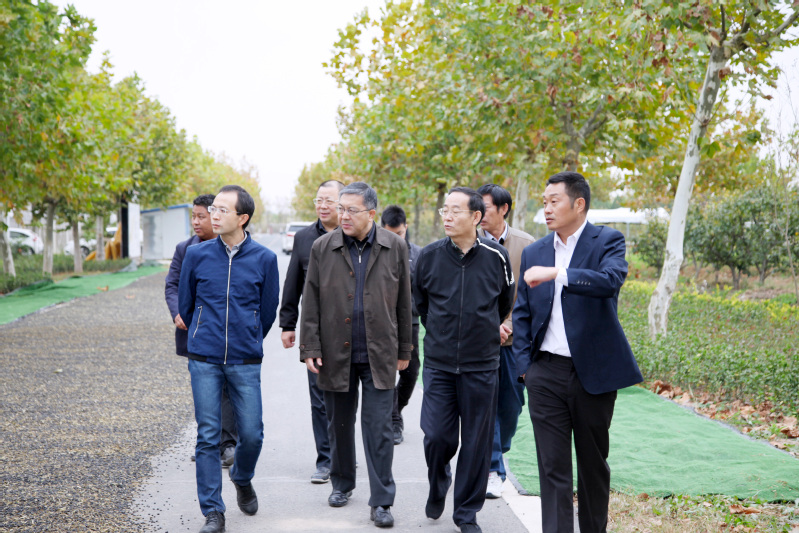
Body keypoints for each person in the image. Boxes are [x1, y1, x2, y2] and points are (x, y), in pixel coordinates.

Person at [512, 172, 643, 533]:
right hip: (545, 373)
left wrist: (559, 273)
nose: (547, 208)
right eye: (544, 202)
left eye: (554, 201)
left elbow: (610, 281)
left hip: (593, 375)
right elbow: (522, 312)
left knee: (592, 465)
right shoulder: (535, 251)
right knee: (552, 468)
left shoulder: (607, 241)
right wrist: (526, 367)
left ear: (579, 204)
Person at [299, 182, 412, 529]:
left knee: (379, 429)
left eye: (351, 210)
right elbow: (311, 300)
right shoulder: (323, 247)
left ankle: (382, 501)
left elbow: (404, 302)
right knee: (339, 424)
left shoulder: (394, 246)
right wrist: (310, 347)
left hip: (380, 352)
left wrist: (405, 348)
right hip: (336, 352)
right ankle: (342, 483)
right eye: (341, 209)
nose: (343, 215)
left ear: (371, 213)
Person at [178, 185, 280, 533]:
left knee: (252, 434)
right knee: (208, 435)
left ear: (243, 217)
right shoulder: (197, 255)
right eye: (213, 209)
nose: (214, 215)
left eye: (222, 210)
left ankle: (242, 476)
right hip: (203, 358)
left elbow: (267, 311)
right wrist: (202, 332)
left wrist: (247, 336)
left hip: (244, 360)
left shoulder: (265, 259)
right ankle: (213, 512)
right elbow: (186, 305)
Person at [414, 187, 515, 533]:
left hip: (482, 365)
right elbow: (422, 304)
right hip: (440, 363)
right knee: (437, 436)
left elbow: (504, 302)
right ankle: (439, 479)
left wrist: (482, 330)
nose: (447, 216)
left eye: (455, 210)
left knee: (476, 442)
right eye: (445, 210)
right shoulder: (429, 256)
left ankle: (466, 513)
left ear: (476, 217)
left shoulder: (497, 257)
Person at [165, 194, 238, 468]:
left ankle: (228, 444)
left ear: (216, 216)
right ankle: (208, 442)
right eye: (193, 217)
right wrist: (178, 312)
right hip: (194, 333)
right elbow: (172, 285)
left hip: (227, 333)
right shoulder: (185, 249)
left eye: (201, 217)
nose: (196, 222)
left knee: (227, 389)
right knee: (204, 389)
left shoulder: (232, 248)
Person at [279, 179, 344, 483]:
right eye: (319, 200)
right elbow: (293, 281)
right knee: (319, 398)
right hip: (315, 330)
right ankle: (326, 460)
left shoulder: (355, 234)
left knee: (346, 399)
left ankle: (344, 455)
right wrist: (287, 323)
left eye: (329, 200)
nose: (322, 206)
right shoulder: (304, 238)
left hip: (352, 330)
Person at [475, 184, 535, 499]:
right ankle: (493, 469)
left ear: (503, 209)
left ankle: (498, 448)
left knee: (511, 407)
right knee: (486, 406)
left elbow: (530, 295)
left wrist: (507, 325)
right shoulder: (468, 242)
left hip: (514, 342)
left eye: (485, 207)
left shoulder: (526, 245)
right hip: (480, 343)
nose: (479, 213)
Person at [379, 205, 422, 445]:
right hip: (381, 323)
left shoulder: (418, 255)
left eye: (400, 234)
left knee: (411, 372)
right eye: (390, 234)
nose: (395, 238)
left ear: (406, 228)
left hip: (410, 323)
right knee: (384, 373)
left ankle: (396, 409)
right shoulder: (374, 253)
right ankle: (393, 420)